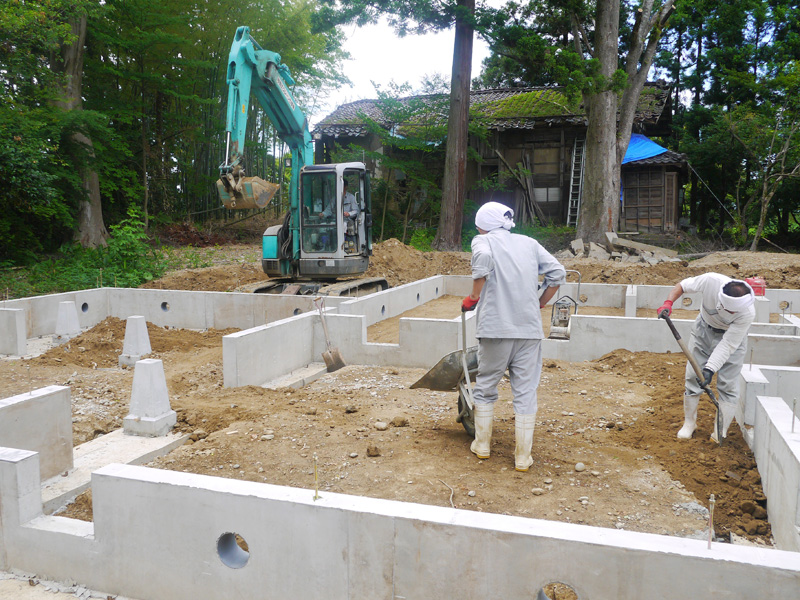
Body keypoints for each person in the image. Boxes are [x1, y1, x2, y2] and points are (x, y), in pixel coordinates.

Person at [461, 201, 566, 472]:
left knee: (485, 386)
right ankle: (522, 457)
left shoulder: (482, 242)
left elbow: (482, 261)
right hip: (529, 330)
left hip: (495, 329)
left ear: (484, 225)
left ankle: (482, 446)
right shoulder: (529, 243)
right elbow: (558, 273)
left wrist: (473, 297)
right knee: (525, 391)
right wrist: (539, 302)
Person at [658, 274, 755, 442]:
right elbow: (682, 285)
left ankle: (720, 429)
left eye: (734, 312)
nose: (731, 313)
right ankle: (689, 423)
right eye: (729, 310)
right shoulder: (711, 281)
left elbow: (728, 345)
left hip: (732, 340)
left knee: (728, 384)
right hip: (703, 330)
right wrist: (668, 303)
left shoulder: (747, 312)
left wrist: (710, 368)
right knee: (692, 376)